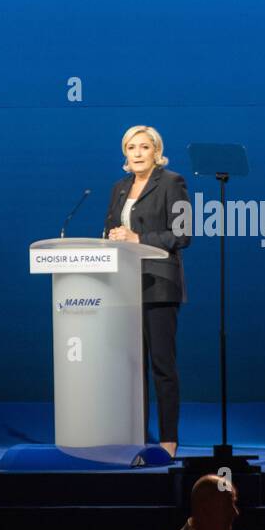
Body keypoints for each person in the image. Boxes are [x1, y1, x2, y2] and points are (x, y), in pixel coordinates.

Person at [103, 125, 191, 457]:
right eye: (131, 148)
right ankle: (135, 437)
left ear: (156, 151)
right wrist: (111, 238)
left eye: (144, 147)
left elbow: (182, 235)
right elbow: (111, 227)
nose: (137, 153)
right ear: (125, 154)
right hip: (124, 286)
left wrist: (138, 239)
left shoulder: (172, 182)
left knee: (162, 366)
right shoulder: (119, 187)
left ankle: (168, 439)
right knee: (131, 368)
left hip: (159, 285)